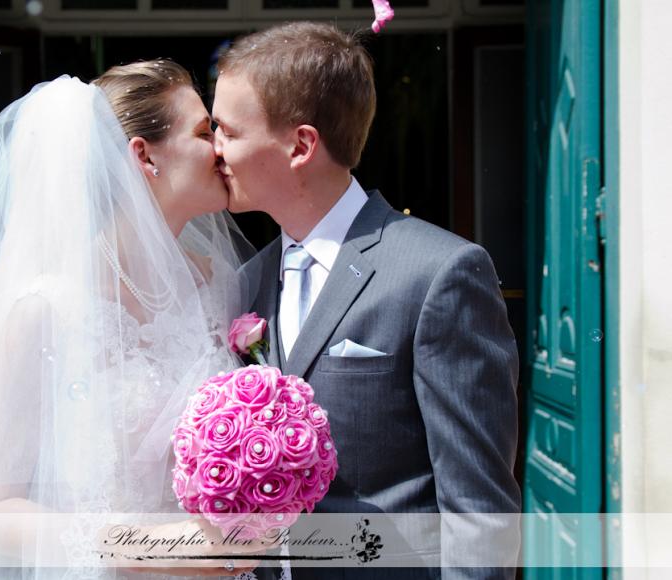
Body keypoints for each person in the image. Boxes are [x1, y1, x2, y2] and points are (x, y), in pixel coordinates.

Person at [212, 22, 521, 579]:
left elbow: (479, 512)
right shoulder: (247, 281)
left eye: (227, 131)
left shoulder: (438, 273)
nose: (214, 150)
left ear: (301, 146)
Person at [0, 61, 258, 579]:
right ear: (144, 156)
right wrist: (143, 545)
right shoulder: (47, 310)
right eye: (203, 132)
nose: (221, 147)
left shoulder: (222, 285)